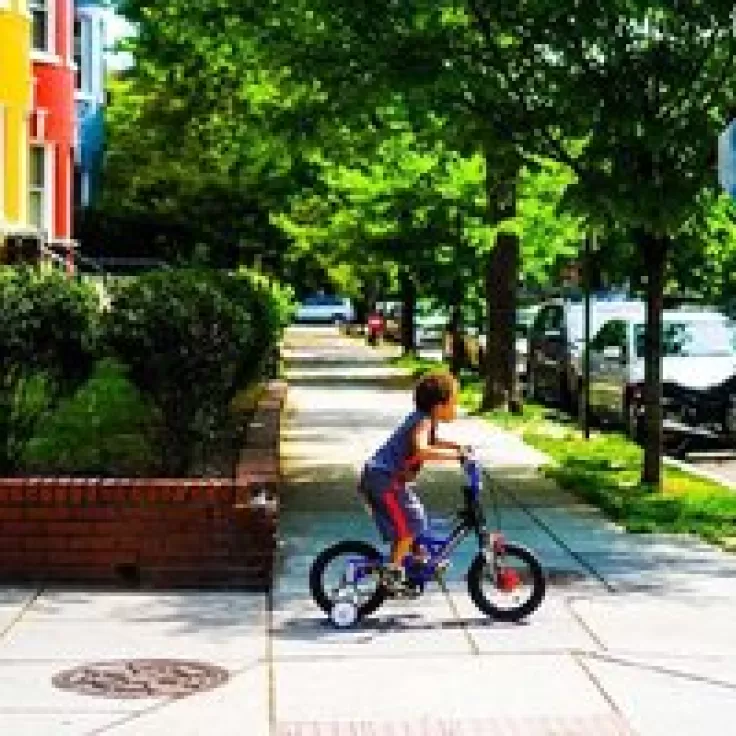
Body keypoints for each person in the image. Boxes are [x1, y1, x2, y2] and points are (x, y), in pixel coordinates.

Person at [357, 371, 465, 593]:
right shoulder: (423, 422)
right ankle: (392, 574)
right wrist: (457, 457)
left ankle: (417, 559)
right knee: (408, 527)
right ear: (438, 406)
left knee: (416, 517)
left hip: (386, 479)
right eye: (454, 402)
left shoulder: (426, 420)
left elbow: (434, 442)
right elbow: (423, 449)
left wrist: (458, 448)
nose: (457, 407)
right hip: (384, 480)